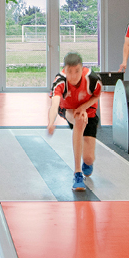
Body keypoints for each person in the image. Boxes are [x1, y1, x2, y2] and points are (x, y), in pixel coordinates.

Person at [48, 52, 102, 191]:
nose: (73, 76)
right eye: (69, 72)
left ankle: (86, 163)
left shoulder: (92, 79)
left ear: (82, 69)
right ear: (65, 70)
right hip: (68, 110)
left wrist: (83, 107)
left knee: (89, 158)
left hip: (89, 112)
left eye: (77, 71)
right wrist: (51, 122)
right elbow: (54, 104)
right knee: (79, 120)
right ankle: (77, 173)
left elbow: (96, 96)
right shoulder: (60, 81)